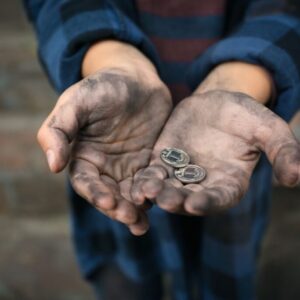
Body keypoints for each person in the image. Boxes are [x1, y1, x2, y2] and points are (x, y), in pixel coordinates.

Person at [23, 0, 300, 299]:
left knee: (226, 266)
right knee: (127, 268)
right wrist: (110, 58)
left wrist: (247, 77)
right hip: (117, 143)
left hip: (233, 149)